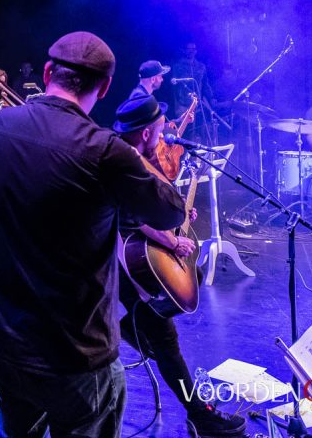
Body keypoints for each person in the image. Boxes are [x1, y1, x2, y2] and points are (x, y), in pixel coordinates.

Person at [0, 32, 186, 437]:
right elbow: (170, 210)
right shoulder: (105, 152)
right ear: (105, 88)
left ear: (47, 72)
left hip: (7, 348)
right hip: (75, 355)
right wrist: (148, 146)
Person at [113, 94, 247, 437]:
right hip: (124, 261)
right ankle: (200, 415)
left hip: (133, 255)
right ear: (145, 134)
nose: (161, 140)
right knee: (168, 340)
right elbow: (130, 215)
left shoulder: (131, 153)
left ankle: (136, 326)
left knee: (192, 277)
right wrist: (172, 239)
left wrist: (176, 216)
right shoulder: (125, 161)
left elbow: (147, 206)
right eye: (158, 133)